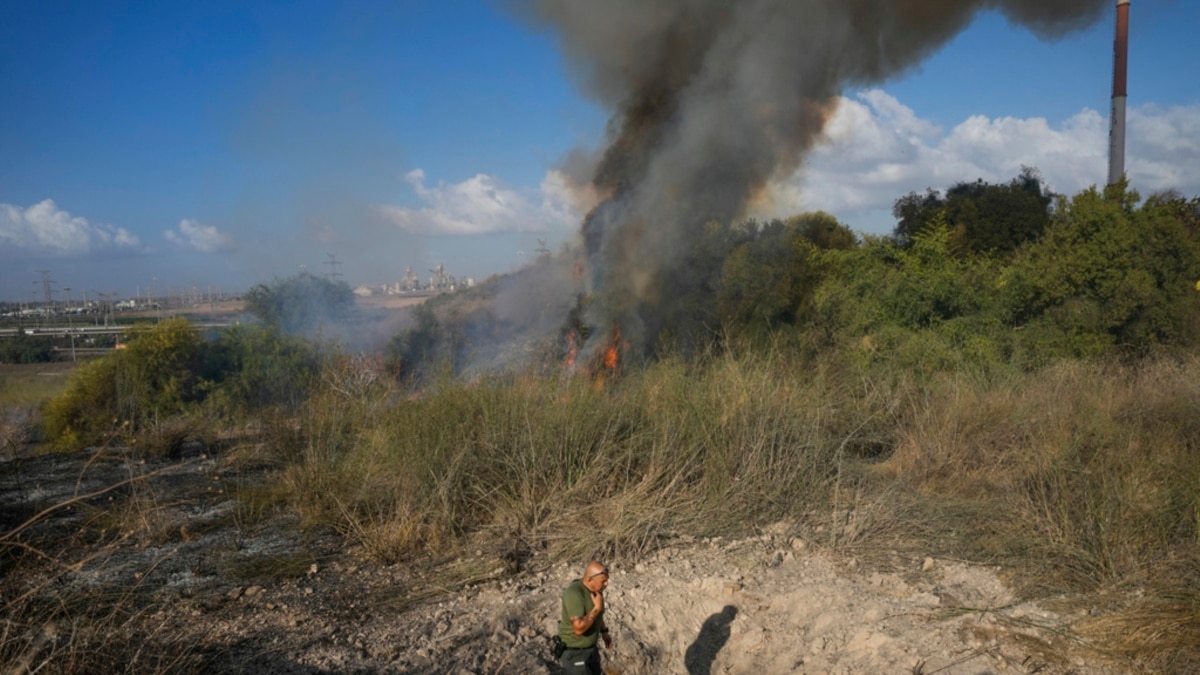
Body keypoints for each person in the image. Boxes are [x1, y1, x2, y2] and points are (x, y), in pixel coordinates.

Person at [558, 560, 613, 675]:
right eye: (603, 581)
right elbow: (578, 629)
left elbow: (595, 614)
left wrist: (604, 632)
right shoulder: (574, 593)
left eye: (607, 580)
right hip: (575, 653)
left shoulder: (596, 590)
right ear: (589, 579)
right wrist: (597, 607)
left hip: (591, 651)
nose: (606, 584)